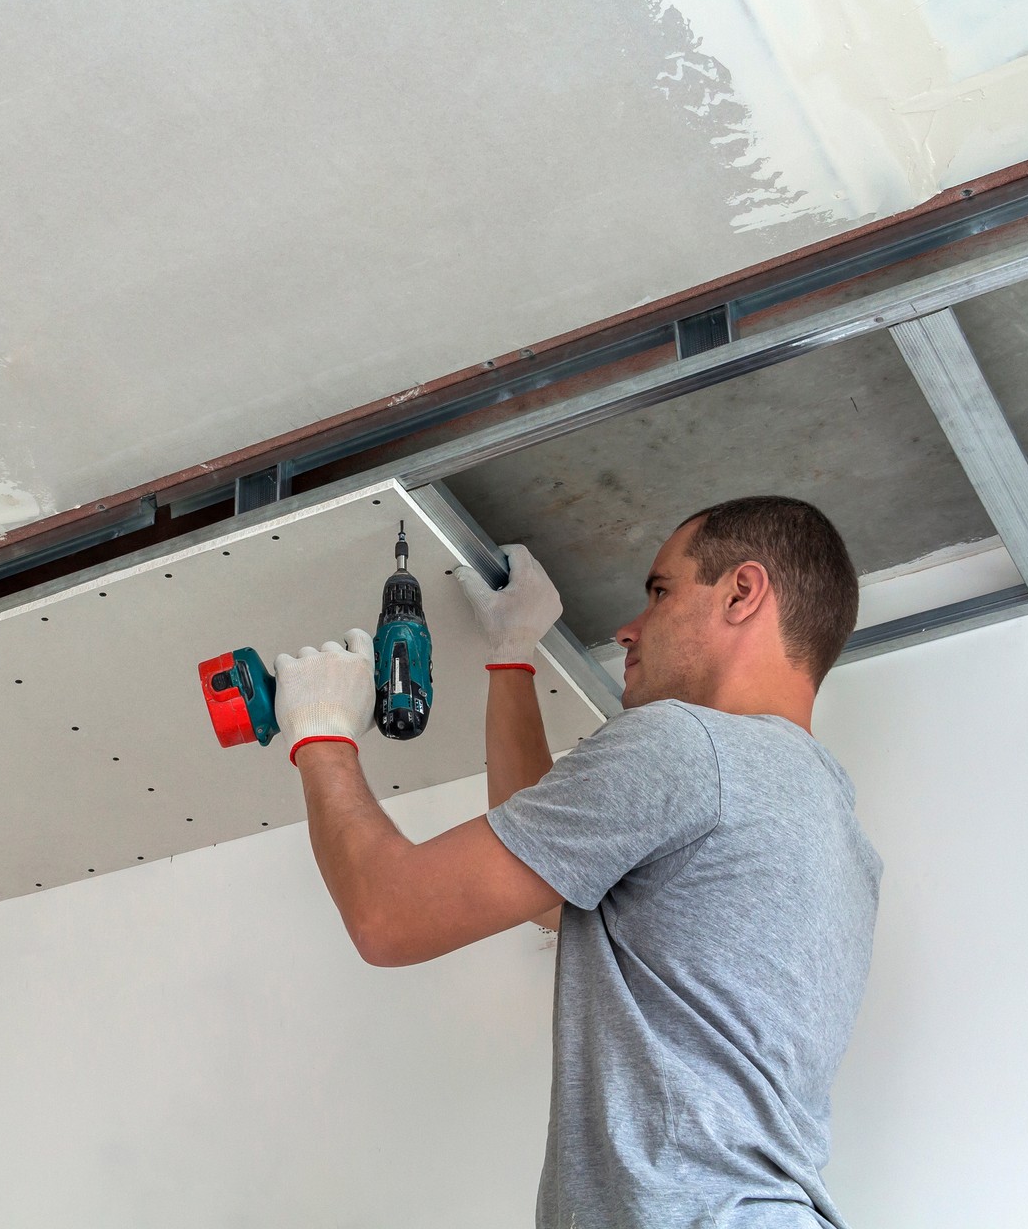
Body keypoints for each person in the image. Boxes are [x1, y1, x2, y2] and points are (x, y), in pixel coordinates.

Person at [273, 495, 881, 1227]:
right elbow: (549, 884)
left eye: (660, 592)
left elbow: (389, 914)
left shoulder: (686, 745)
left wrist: (321, 734)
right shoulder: (831, 827)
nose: (628, 627)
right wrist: (511, 657)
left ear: (742, 592)